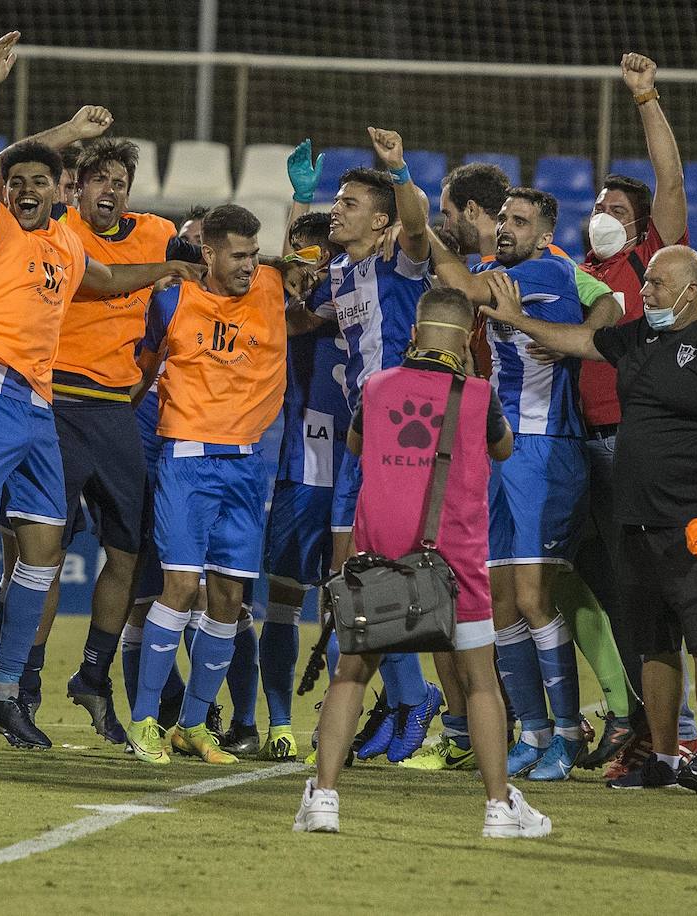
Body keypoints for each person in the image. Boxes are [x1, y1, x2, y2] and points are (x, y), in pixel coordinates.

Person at [0, 32, 194, 750]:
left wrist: (164, 271)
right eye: (24, 181)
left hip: (37, 410)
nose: (33, 189)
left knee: (43, 552)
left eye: (46, 181)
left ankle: (5, 691)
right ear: (12, 190)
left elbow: (105, 281)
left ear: (60, 190)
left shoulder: (68, 246)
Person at [478, 245, 697, 796]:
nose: (647, 291)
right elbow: (582, 341)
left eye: (657, 284)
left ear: (691, 292)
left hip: (693, 523)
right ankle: (663, 757)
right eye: (648, 281)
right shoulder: (638, 337)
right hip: (632, 520)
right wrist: (516, 320)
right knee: (652, 644)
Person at [295, 287, 550, 838]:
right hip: (453, 562)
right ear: (466, 342)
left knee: (351, 675)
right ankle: (498, 808)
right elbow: (503, 450)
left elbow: (359, 445)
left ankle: (324, 800)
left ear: (414, 333)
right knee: (480, 682)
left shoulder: (378, 387)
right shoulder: (478, 394)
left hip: (378, 560)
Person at [0, 122, 203, 742]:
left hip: (112, 411)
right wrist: (72, 132)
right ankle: (18, 685)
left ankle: (92, 676)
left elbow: (210, 254)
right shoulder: (53, 228)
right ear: (74, 187)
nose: (112, 190)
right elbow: (2, 173)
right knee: (38, 557)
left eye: (122, 183)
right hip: (50, 406)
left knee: (128, 554)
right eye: (100, 179)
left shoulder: (158, 234)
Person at [124, 203, 305, 766]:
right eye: (238, 255)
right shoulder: (172, 299)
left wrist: (297, 199)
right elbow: (142, 372)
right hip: (186, 459)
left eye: (255, 254)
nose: (250, 265)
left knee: (229, 598)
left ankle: (195, 725)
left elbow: (304, 259)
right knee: (178, 588)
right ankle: (145, 720)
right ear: (208, 253)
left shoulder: (273, 286)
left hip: (247, 468)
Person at [426, 188, 592, 782]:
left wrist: (414, 216)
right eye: (503, 219)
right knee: (497, 606)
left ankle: (569, 734)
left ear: (543, 234)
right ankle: (533, 731)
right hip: (499, 449)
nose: (506, 229)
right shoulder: (499, 271)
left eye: (519, 222)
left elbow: (463, 290)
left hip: (545, 450)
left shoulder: (550, 270)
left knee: (530, 599)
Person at [293, 131, 443, 763]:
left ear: (379, 221)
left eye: (350, 202)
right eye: (339, 199)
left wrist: (400, 169)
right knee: (345, 579)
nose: (339, 208)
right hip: (359, 441)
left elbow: (416, 222)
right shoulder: (343, 272)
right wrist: (298, 200)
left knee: (380, 576)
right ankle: (409, 698)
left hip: (403, 440)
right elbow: (296, 300)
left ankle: (413, 700)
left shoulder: (400, 263)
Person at [572, 52, 697, 774]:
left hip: (629, 446)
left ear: (642, 225)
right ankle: (635, 727)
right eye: (598, 208)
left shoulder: (649, 261)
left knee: (649, 591)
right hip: (579, 448)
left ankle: (673, 732)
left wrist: (646, 99)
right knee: (602, 590)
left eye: (617, 210)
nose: (604, 218)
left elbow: (671, 182)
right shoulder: (576, 271)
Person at [219, 211, 349, 761]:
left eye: (317, 252)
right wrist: (295, 203)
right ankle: (272, 723)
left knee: (350, 602)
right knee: (281, 599)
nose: (307, 261)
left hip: (342, 465)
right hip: (295, 464)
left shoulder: (349, 297)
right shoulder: (279, 304)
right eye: (299, 250)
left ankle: (340, 723)